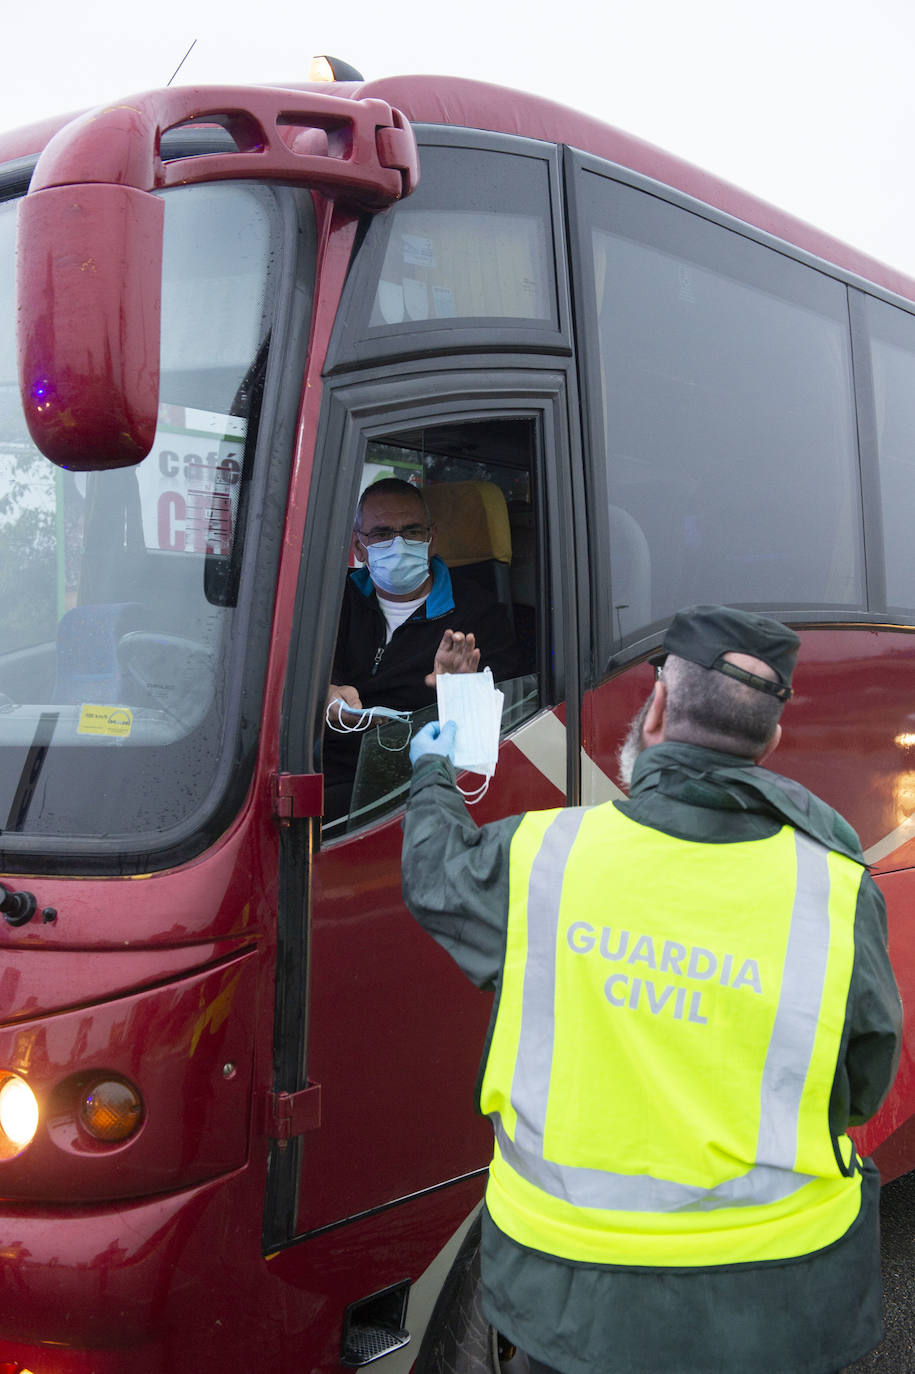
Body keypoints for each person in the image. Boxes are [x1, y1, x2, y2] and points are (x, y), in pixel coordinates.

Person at [401, 604, 902, 1374]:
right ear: (768, 742)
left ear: (659, 708)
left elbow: (436, 878)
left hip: (569, 1294)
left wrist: (432, 770)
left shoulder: (544, 855)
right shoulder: (832, 884)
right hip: (775, 1295)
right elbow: (864, 1073)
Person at [323, 477, 520, 818]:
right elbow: (286, 676)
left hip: (418, 783)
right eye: (382, 533)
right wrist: (323, 695)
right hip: (325, 767)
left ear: (432, 539)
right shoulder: (330, 602)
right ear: (358, 546)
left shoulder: (479, 615)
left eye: (412, 531)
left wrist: (458, 689)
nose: (398, 545)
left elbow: (513, 723)